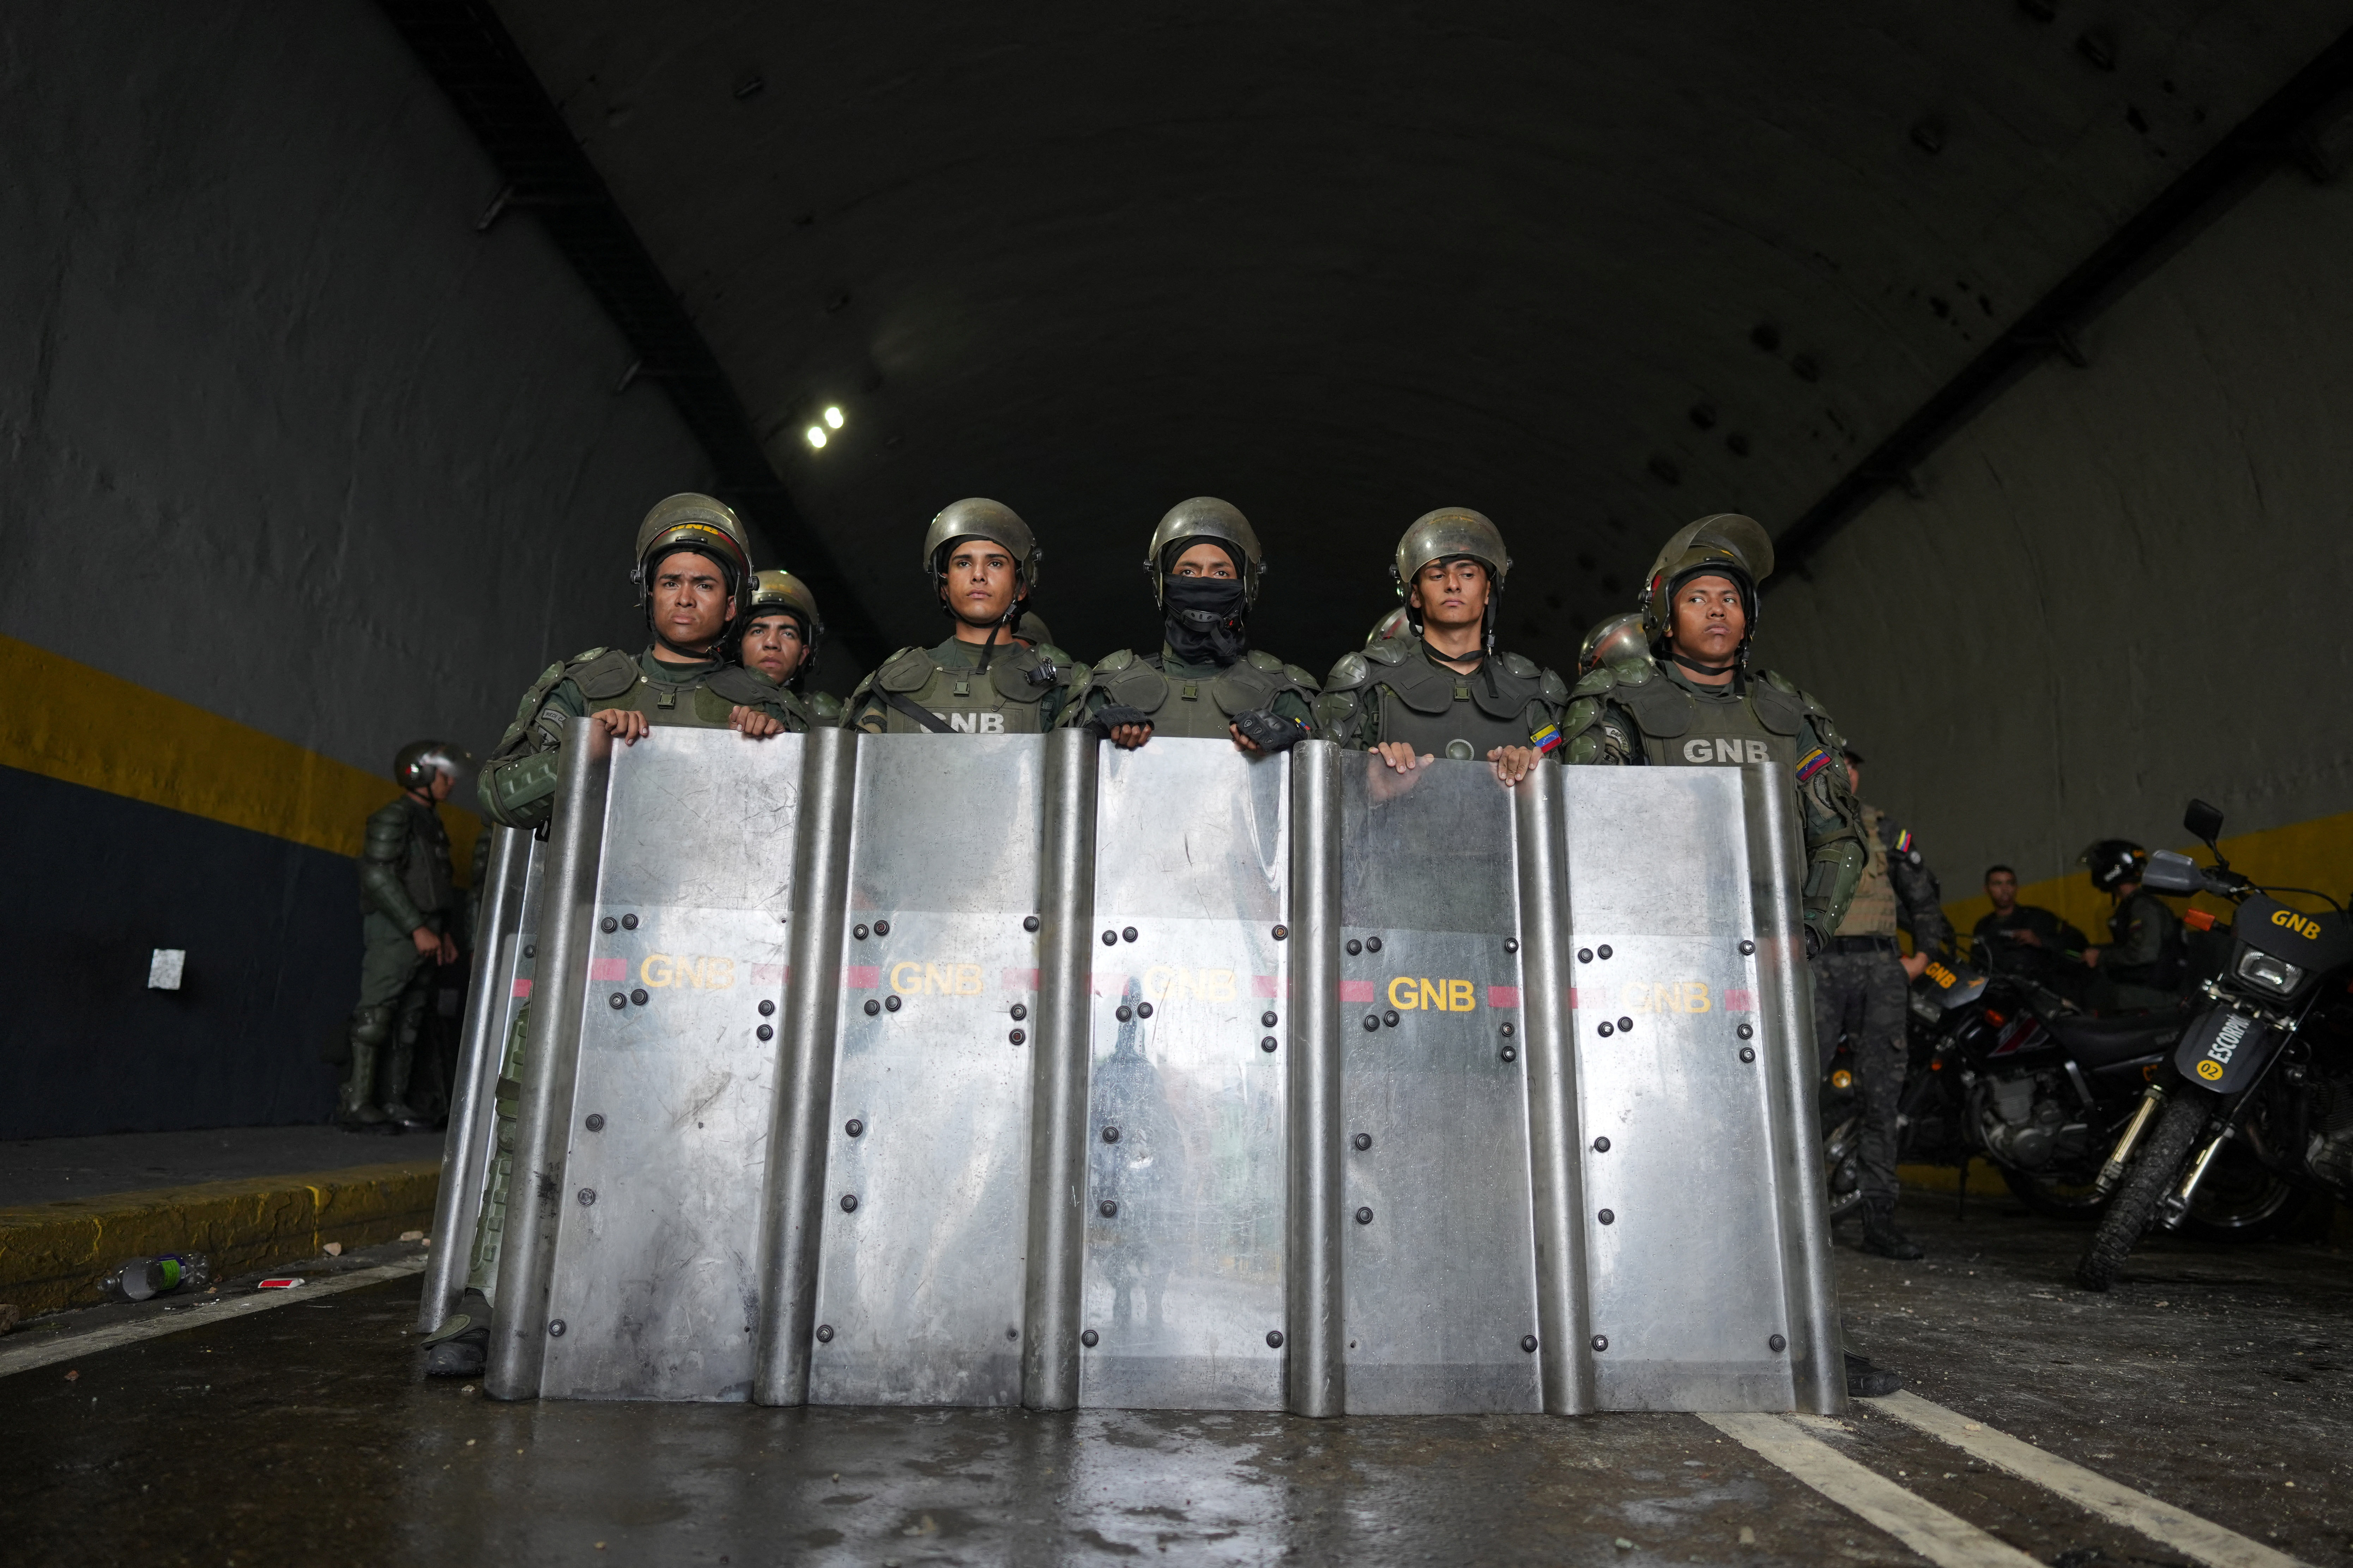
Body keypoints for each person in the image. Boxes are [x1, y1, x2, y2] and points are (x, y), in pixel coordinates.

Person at [1557, 513, 1868, 951]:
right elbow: (1593, 826)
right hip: (1659, 948)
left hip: (1777, 955)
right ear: (1666, 618)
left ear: (1747, 620)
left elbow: (1836, 834)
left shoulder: (1789, 713)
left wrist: (1809, 933)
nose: (1717, 609)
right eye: (1697, 600)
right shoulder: (1621, 702)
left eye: (1730, 599)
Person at [476, 493, 800, 829]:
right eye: (671, 583)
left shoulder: (764, 705)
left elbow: (803, 827)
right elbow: (498, 797)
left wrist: (773, 754)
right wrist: (584, 748)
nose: (685, 599)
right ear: (649, 595)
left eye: (704, 585)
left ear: (731, 606)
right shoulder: (586, 686)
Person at [1811, 747, 1950, 1262]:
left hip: (1879, 969)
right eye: (1834, 762)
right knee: (1797, 1095)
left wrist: (1923, 956)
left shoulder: (1884, 829)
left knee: (1881, 1096)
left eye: (1851, 764)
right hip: (1818, 967)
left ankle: (1879, 1221)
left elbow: (1923, 894)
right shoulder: (1791, 823)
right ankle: (1793, 1221)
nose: (1845, 771)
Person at [1313, 508, 1567, 788]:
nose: (1453, 585)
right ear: (1416, 595)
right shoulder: (1368, 682)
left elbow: (1573, 803)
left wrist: (1531, 776)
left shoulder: (1535, 692)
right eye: (1437, 576)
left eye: (1468, 574)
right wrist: (1371, 788)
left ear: (1488, 592)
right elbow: (1323, 792)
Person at [1065, 497, 1318, 752]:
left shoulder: (1282, 693)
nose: (1204, 583)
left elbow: (1331, 767)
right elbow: (1061, 772)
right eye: (1188, 572)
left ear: (1245, 585)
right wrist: (1091, 734)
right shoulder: (1109, 688)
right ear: (1162, 583)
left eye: (1221, 573)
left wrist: (1300, 735)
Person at [843, 498, 1085, 734]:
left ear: (1020, 587)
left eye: (996, 564)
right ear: (944, 587)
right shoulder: (896, 682)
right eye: (963, 563)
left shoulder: (1062, 686)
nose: (979, 575)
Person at [343, 742, 470, 1129]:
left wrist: (442, 933)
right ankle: (357, 1103)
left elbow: (435, 883)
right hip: (397, 931)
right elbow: (377, 875)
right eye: (444, 775)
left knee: (410, 1019)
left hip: (426, 931)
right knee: (376, 1015)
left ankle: (395, 1102)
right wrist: (416, 928)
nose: (450, 783)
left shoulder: (430, 821)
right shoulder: (394, 817)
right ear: (421, 775)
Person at [2077, 840, 2188, 1013]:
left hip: (2152, 1001)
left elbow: (2145, 953)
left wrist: (2101, 957)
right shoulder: (2133, 906)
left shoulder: (2143, 907)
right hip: (2145, 996)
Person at [737, 567, 844, 727]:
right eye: (758, 631)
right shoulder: (706, 698)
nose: (772, 643)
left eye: (788, 634)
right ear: (739, 646)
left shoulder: (828, 723)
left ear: (803, 654)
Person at [1971, 865, 2089, 995]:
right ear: (1986, 890)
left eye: (2010, 883)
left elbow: (2077, 943)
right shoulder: (1983, 926)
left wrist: (2040, 941)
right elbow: (1976, 964)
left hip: (2039, 994)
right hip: (1999, 997)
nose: (2005, 890)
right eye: (1998, 884)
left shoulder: (2038, 918)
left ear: (2017, 888)